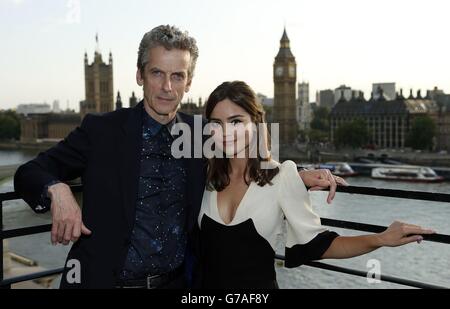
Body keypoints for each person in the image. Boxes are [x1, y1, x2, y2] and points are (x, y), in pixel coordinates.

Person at [13, 25, 342, 289]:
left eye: (177, 76)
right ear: (140, 75)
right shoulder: (102, 130)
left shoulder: (204, 133)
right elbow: (31, 171)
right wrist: (57, 190)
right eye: (157, 73)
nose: (166, 87)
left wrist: (298, 173)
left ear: (188, 82)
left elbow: (250, 153)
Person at [198, 80, 435, 288]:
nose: (225, 132)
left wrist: (381, 238)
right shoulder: (204, 175)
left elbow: (319, 245)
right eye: (216, 123)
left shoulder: (283, 177)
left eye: (236, 121)